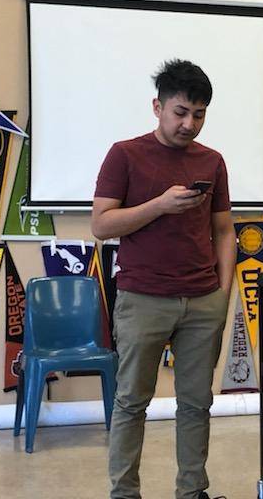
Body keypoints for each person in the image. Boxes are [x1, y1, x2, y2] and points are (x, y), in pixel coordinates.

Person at [91, 59, 236, 499]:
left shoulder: (212, 161)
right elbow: (101, 225)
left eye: (199, 114)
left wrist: (223, 293)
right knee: (131, 402)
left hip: (203, 299)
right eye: (180, 112)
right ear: (157, 106)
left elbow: (225, 231)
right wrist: (159, 205)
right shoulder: (125, 154)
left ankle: (192, 492)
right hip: (142, 298)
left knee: (197, 405)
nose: (189, 124)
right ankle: (124, 494)